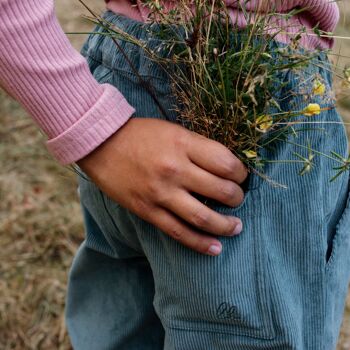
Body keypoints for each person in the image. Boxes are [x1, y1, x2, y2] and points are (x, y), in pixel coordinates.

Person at [0, 0, 349, 349]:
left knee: (123, 324)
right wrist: (92, 127)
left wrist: (87, 118)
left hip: (125, 52)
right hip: (250, 84)